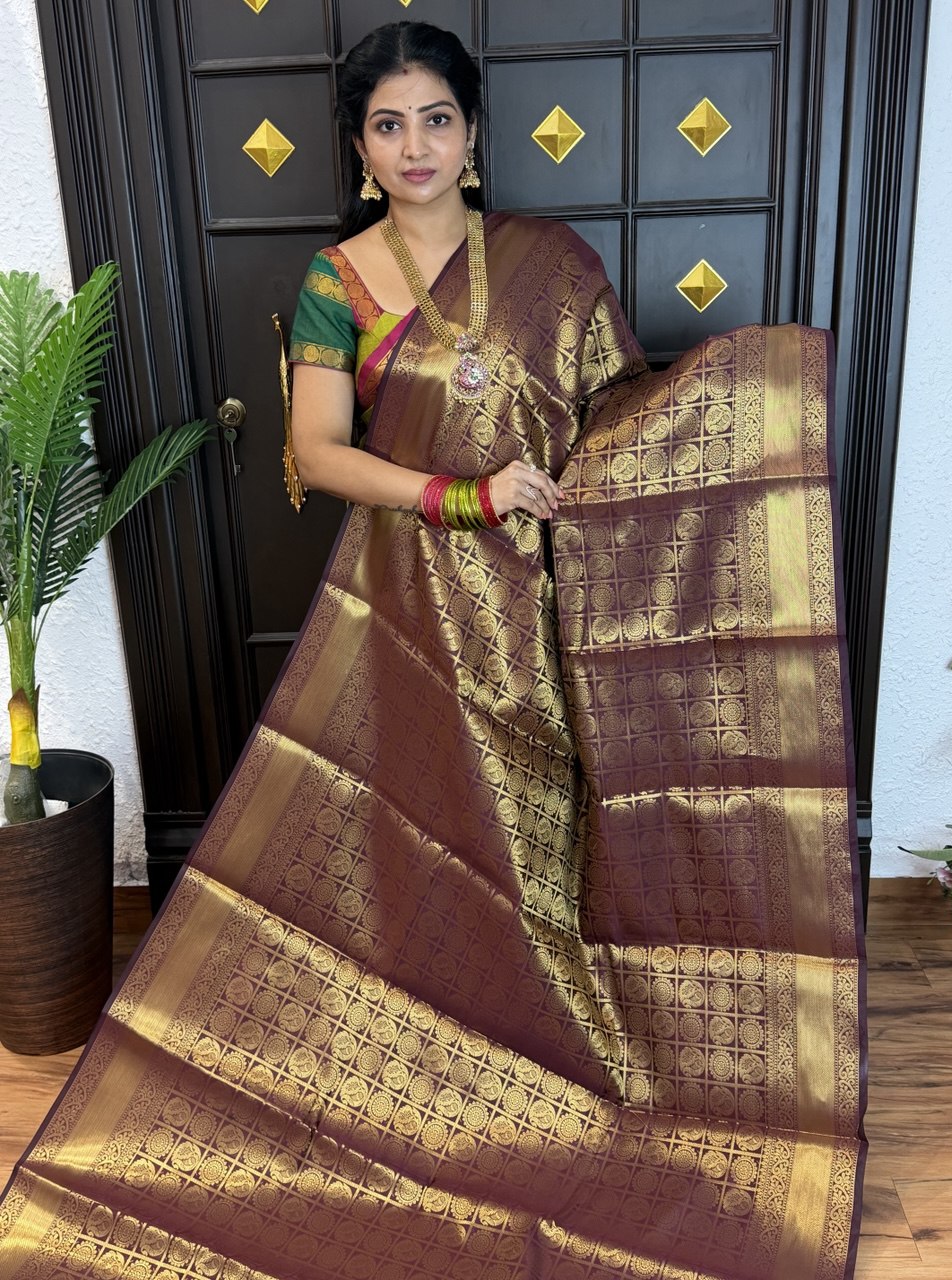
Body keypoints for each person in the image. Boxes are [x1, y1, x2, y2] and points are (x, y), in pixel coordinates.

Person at [0, 21, 865, 1280]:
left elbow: (619, 428)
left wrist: (753, 397)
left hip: (545, 618)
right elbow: (316, 453)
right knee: (420, 846)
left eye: (437, 119)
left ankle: (556, 1050)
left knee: (541, 846)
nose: (415, 146)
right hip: (405, 610)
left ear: (473, 134)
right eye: (388, 125)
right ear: (360, 150)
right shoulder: (336, 282)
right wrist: (467, 495)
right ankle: (425, 1058)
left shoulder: (553, 264)